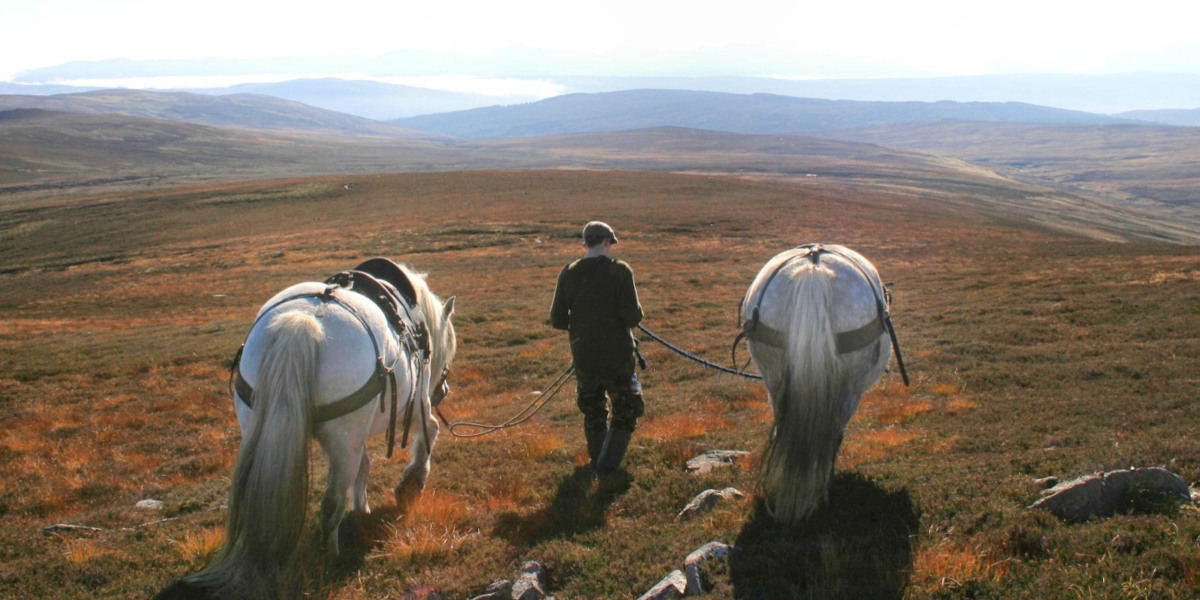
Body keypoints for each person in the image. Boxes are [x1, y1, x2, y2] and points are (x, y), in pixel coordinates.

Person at [550, 221, 645, 474]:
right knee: (626, 409)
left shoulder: (568, 272)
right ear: (606, 242)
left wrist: (583, 326)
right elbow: (632, 318)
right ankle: (607, 466)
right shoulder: (620, 271)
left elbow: (557, 320)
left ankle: (597, 461)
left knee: (593, 410)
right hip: (617, 356)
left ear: (584, 245)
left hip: (584, 356)